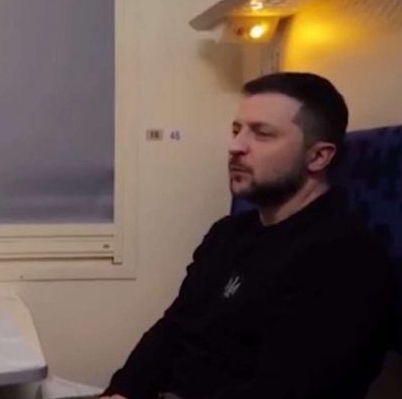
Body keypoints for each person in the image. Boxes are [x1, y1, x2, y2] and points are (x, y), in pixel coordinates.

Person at [101, 72, 393, 399]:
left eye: (262, 134)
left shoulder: (345, 259)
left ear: (318, 156)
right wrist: (121, 392)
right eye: (236, 130)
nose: (235, 146)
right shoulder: (227, 234)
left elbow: (285, 390)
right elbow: (174, 328)